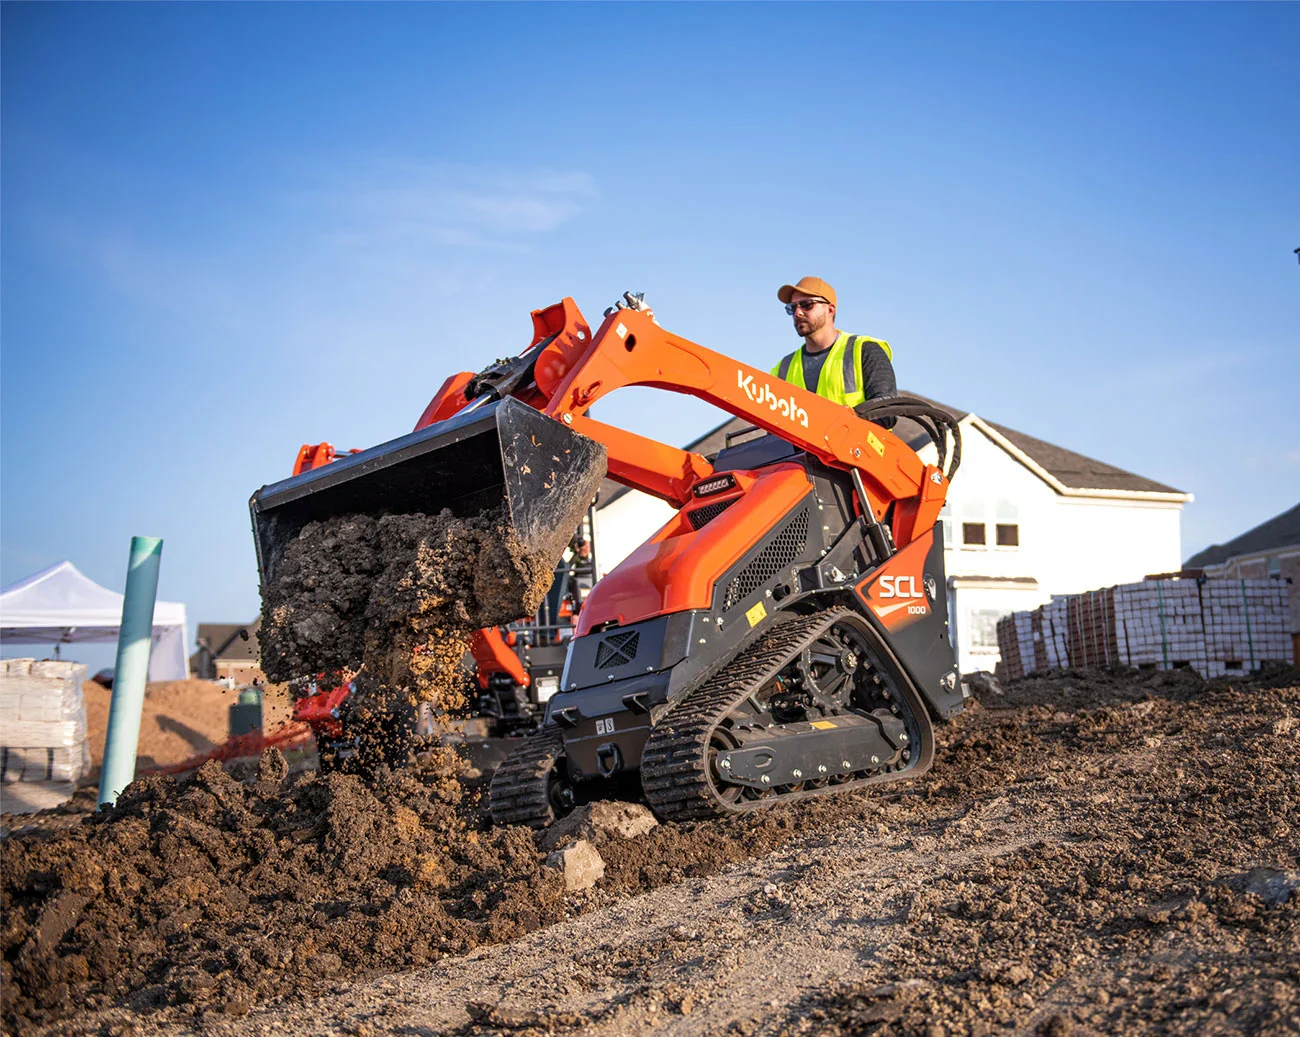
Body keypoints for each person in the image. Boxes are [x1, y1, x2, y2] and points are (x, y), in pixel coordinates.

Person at [771, 276, 896, 426]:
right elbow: (775, 428)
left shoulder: (864, 350)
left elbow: (887, 413)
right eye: (792, 308)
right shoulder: (783, 370)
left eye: (806, 305)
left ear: (830, 310)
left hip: (858, 448)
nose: (798, 313)